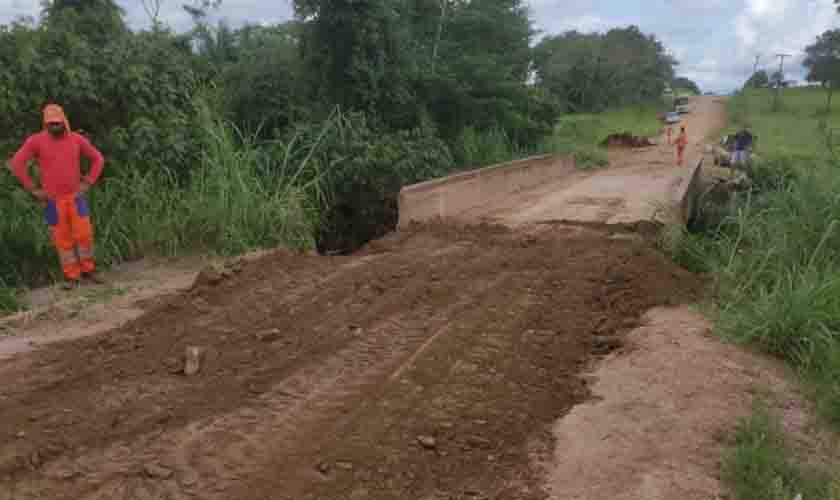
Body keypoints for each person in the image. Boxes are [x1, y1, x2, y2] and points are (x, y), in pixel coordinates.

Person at [8, 104, 105, 289]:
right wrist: (33, 189)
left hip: (76, 198)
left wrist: (88, 182)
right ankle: (72, 276)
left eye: (57, 123)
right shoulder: (36, 141)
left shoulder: (77, 139)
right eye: (50, 123)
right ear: (45, 123)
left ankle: (89, 270)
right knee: (62, 239)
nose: (54, 126)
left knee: (84, 235)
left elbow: (98, 159)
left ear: (64, 121)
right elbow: (16, 163)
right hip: (53, 201)